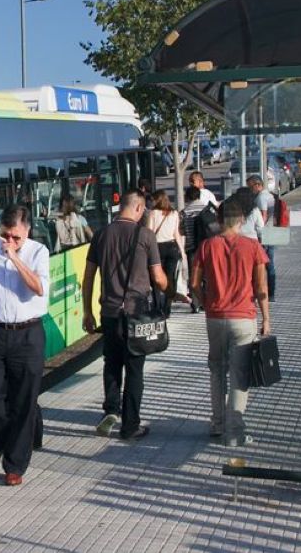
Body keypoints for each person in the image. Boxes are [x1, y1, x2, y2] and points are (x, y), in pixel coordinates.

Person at [82, 190, 167, 441]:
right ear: (139, 208)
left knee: (111, 363)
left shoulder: (101, 234)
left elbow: (88, 278)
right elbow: (160, 279)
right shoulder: (146, 236)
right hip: (136, 313)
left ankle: (111, 409)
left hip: (109, 312)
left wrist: (87, 311)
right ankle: (130, 426)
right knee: (134, 368)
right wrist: (169, 289)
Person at [0, 205, 50, 486]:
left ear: (26, 231)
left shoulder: (38, 252)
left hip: (27, 334)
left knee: (23, 400)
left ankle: (15, 464)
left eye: (16, 237)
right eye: (5, 235)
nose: (9, 241)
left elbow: (38, 287)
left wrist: (16, 258)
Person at [190, 199, 272, 447]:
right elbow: (261, 287)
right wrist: (266, 317)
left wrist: (206, 303)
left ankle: (217, 424)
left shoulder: (206, 246)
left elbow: (194, 284)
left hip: (215, 318)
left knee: (216, 370)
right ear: (241, 221)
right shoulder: (253, 247)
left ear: (218, 220)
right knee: (239, 374)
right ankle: (234, 433)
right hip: (243, 318)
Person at [144, 190, 184, 318]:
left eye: (153, 199)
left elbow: (149, 233)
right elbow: (176, 234)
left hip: (157, 248)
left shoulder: (153, 213)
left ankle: (157, 307)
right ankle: (167, 308)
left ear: (158, 200)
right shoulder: (174, 213)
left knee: (155, 278)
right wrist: (182, 250)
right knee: (170, 279)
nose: (152, 202)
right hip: (172, 247)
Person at [246, 175, 278, 301]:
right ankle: (271, 293)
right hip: (273, 231)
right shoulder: (270, 195)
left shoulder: (260, 198)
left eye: (250, 187)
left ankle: (264, 293)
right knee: (270, 264)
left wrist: (258, 232)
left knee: (261, 265)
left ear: (257, 185)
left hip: (265, 234)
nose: (250, 190)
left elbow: (263, 216)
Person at [182, 186, 212, 313]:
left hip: (191, 247)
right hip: (206, 246)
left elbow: (182, 230)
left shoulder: (184, 212)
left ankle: (195, 304)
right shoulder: (206, 209)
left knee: (194, 275)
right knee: (206, 275)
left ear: (187, 196)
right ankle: (207, 302)